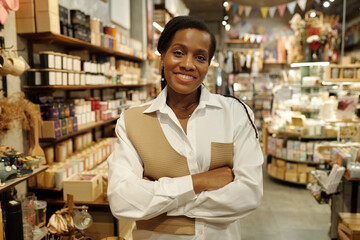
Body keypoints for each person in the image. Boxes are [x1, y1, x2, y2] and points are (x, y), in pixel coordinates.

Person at [107, 16, 263, 240]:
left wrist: (156, 199)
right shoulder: (132, 120)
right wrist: (199, 182)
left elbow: (249, 195)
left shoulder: (235, 114)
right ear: (162, 56)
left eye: (200, 57)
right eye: (178, 52)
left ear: (208, 64)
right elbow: (122, 201)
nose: (188, 64)